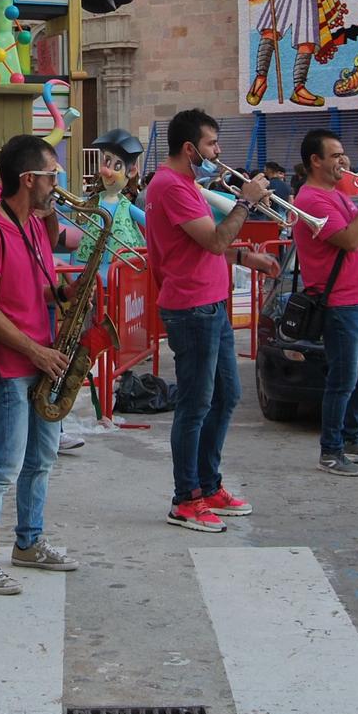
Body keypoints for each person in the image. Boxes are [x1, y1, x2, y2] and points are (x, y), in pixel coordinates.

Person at [0, 135, 80, 594]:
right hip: (14, 365)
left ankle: (29, 542)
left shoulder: (32, 226)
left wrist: (64, 294)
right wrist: (34, 351)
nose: (56, 185)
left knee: (42, 459)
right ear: (29, 179)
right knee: (5, 464)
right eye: (52, 176)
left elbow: (31, 291)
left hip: (44, 358)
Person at [146, 110, 280, 530]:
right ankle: (185, 498)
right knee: (196, 404)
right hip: (192, 308)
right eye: (211, 145)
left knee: (226, 396)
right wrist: (247, 201)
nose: (218, 152)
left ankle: (207, 484)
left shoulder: (183, 183)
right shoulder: (171, 185)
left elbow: (203, 244)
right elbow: (215, 236)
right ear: (190, 149)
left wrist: (245, 257)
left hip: (210, 303)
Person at [292, 129, 358, 477]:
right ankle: (331, 451)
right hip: (340, 303)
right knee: (343, 379)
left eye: (343, 153)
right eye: (335, 155)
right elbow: (350, 241)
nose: (344, 161)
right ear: (315, 161)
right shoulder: (312, 200)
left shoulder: (338, 195)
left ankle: (353, 436)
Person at [74, 130, 148, 281]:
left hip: (123, 262)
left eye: (117, 165)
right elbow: (71, 204)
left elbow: (149, 222)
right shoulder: (95, 200)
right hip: (91, 262)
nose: (107, 171)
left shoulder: (126, 206)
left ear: (131, 171)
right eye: (107, 162)